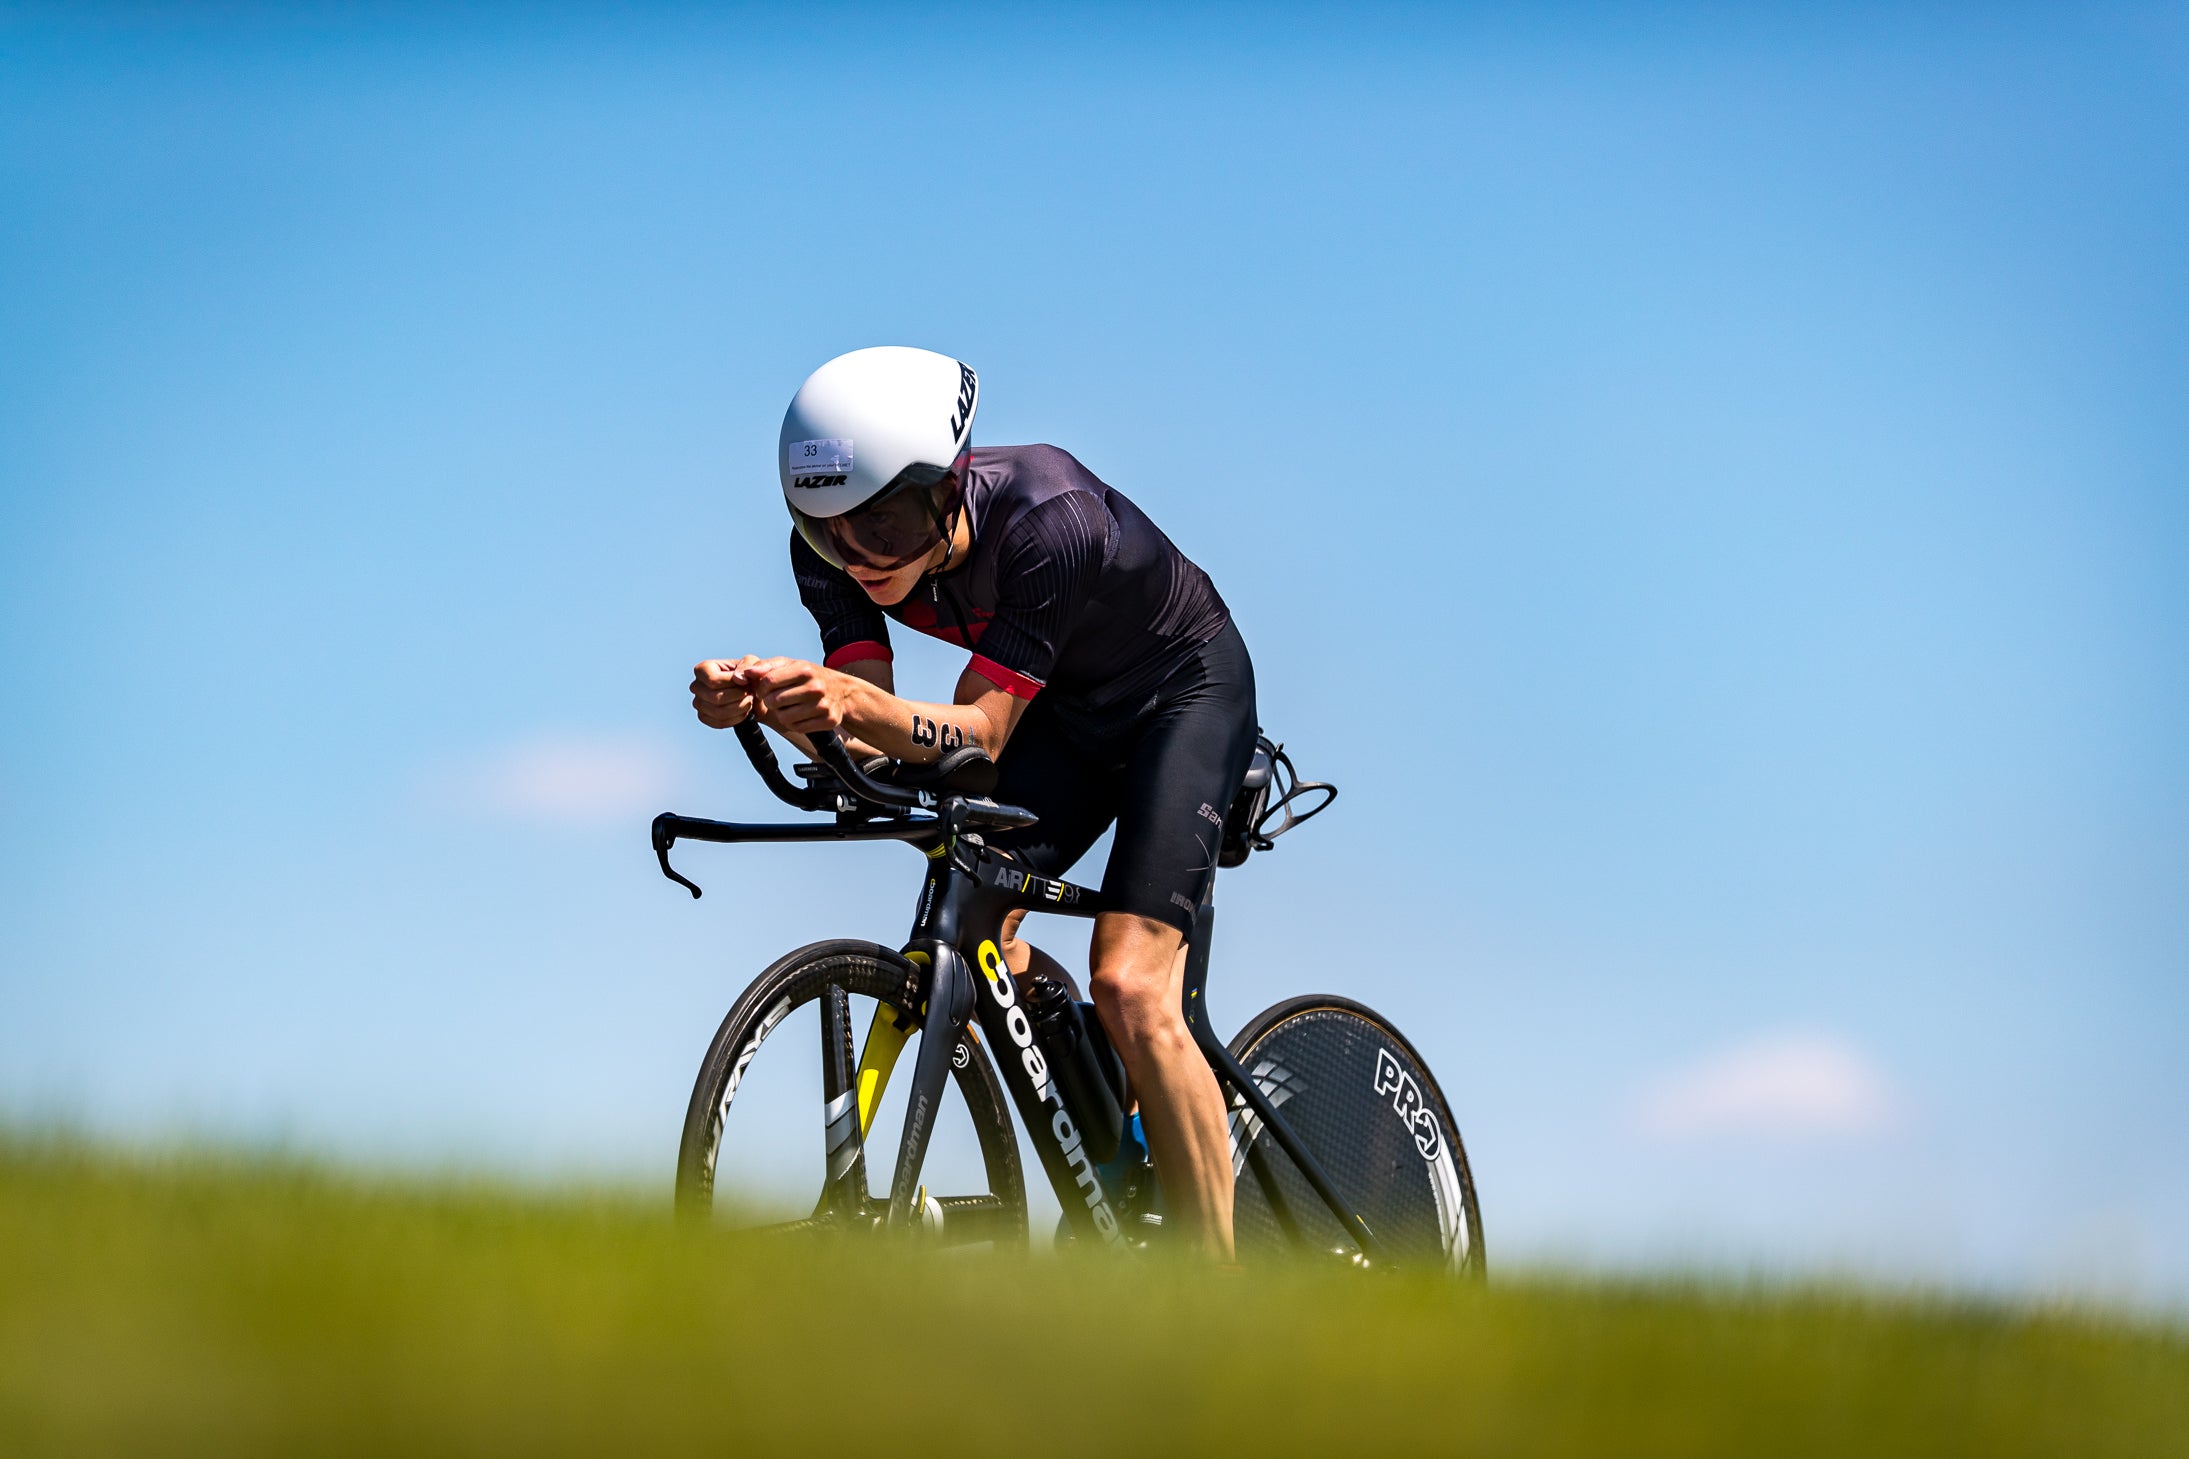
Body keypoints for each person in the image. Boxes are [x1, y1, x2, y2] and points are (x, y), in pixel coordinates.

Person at [690, 345, 1257, 1259]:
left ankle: (1220, 1303)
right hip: (1062, 717)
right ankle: (1111, 1137)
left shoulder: (1049, 521)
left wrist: (849, 703)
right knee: (982, 919)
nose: (856, 557)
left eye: (884, 524)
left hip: (1179, 697)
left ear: (948, 487)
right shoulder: (830, 555)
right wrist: (768, 703)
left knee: (1130, 979)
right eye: (825, 527)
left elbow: (979, 735)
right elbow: (867, 736)